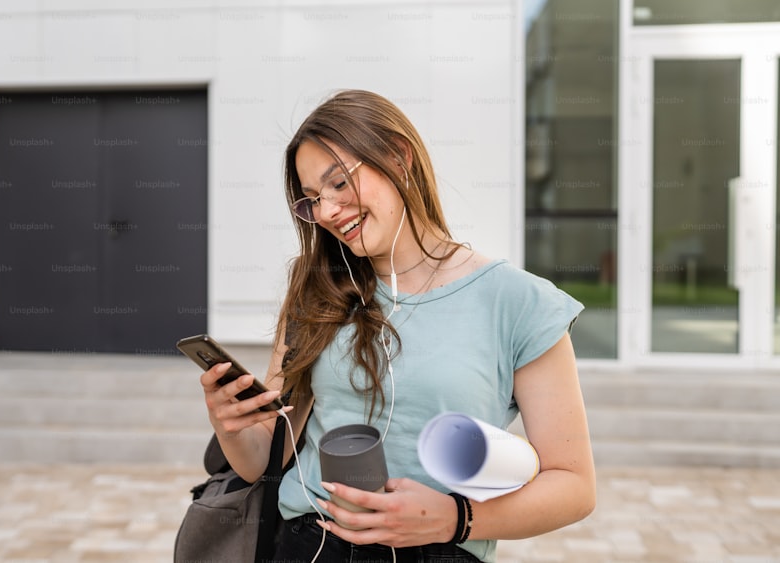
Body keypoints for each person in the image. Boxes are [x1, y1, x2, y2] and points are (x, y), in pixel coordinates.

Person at [199, 89, 595, 563]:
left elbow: (574, 487)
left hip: (437, 551)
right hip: (308, 544)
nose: (326, 212)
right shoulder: (317, 287)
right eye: (312, 200)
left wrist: (455, 518)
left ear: (398, 157)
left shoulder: (519, 302)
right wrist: (232, 427)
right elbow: (266, 458)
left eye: (339, 184)